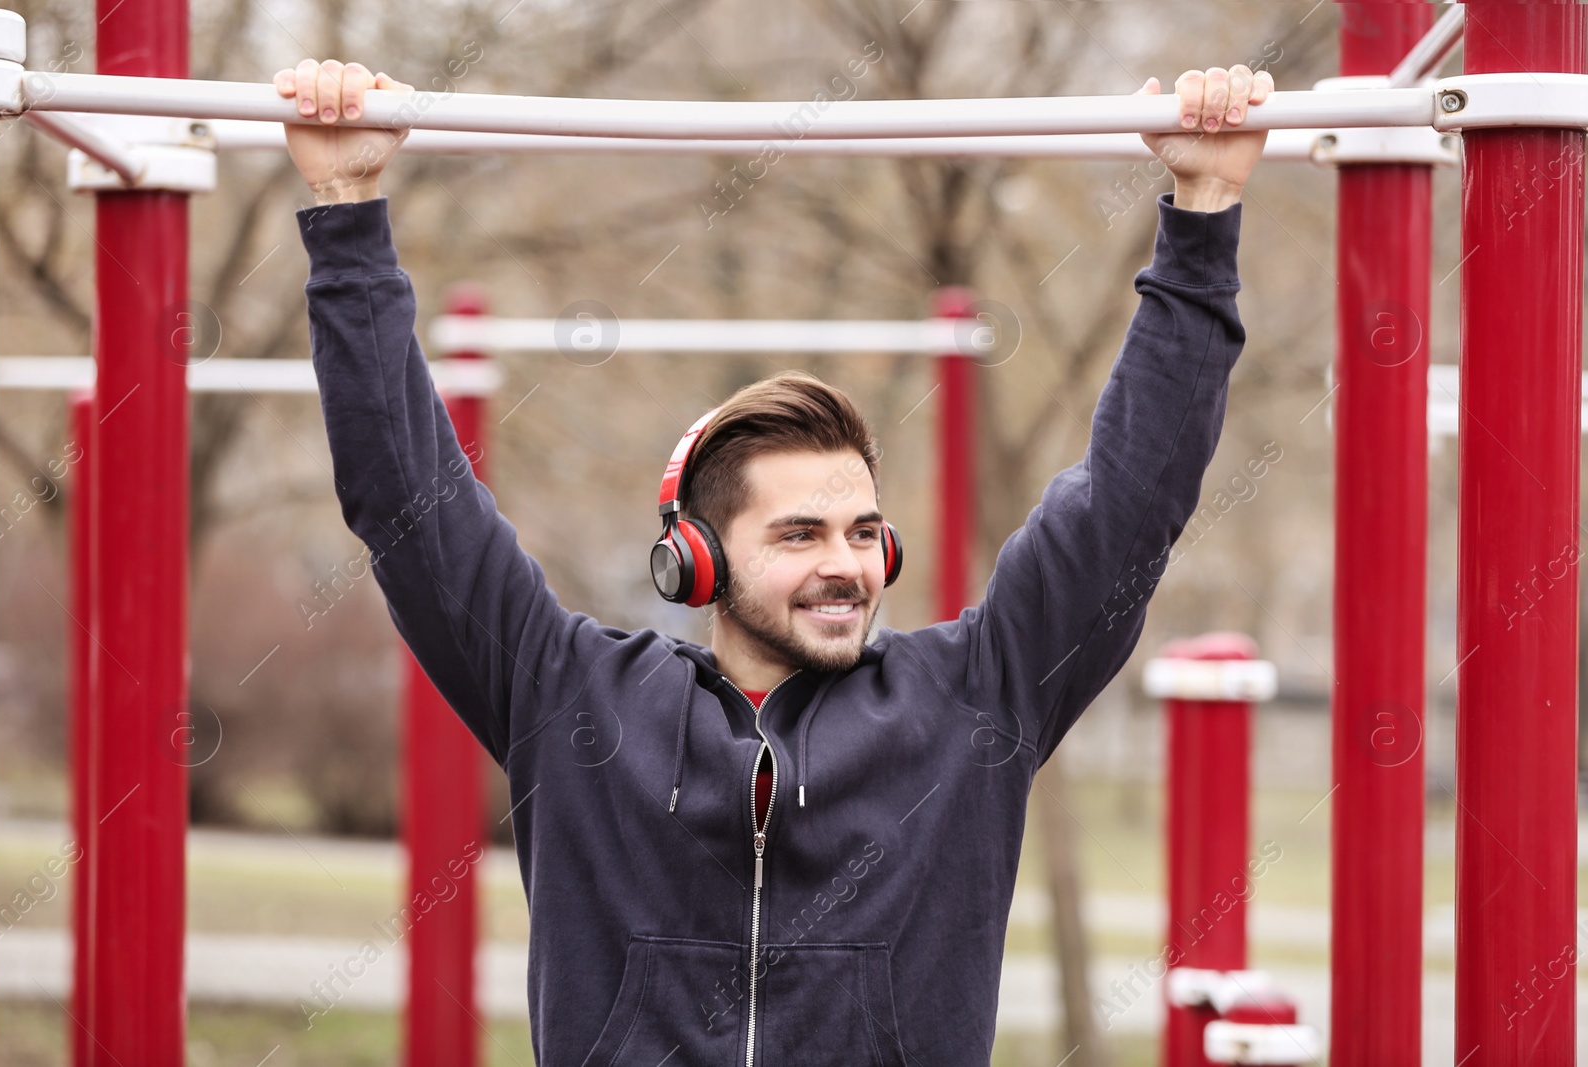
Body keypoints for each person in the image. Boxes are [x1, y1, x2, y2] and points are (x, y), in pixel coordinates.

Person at [276, 57, 1271, 1066]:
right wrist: (345, 205)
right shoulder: (567, 695)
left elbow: (1127, 507)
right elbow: (406, 504)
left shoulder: (972, 702)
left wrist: (1203, 211)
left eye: (859, 532)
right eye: (798, 534)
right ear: (695, 560)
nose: (846, 564)